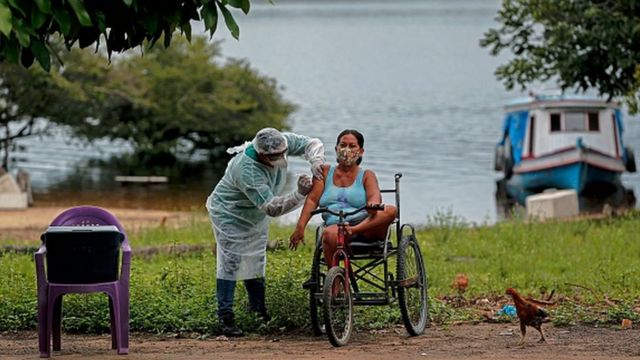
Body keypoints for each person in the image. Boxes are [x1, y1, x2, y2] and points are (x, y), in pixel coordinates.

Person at [206, 127, 325, 337]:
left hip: (254, 215)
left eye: (283, 153)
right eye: (275, 157)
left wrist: (315, 161)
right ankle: (225, 317)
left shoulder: (281, 141)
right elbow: (272, 207)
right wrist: (299, 194)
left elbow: (312, 143)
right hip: (230, 213)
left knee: (256, 260)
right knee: (230, 261)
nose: (281, 158)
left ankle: (258, 312)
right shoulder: (247, 170)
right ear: (262, 155)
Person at [288, 129, 397, 268]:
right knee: (328, 234)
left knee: (390, 210)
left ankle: (353, 230)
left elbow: (374, 195)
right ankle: (335, 279)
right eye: (343, 145)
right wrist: (300, 227)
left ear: (361, 151)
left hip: (366, 226)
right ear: (336, 148)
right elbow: (312, 200)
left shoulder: (367, 175)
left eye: (352, 146)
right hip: (336, 225)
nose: (346, 150)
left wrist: (373, 204)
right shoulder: (324, 172)